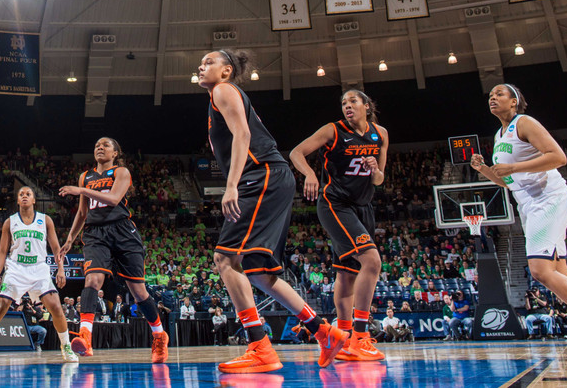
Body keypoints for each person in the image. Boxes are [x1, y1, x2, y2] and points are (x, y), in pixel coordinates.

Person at [198, 49, 347, 374]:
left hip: (260, 175)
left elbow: (243, 135)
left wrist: (233, 184)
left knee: (225, 258)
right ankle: (324, 331)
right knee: (259, 270)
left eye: (209, 62)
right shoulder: (221, 97)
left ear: (226, 72)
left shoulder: (223, 90)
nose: (201, 65)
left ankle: (260, 347)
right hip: (272, 177)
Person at [471, 84, 567, 360]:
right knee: (560, 272)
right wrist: (485, 169)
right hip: (528, 204)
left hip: (549, 198)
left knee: (540, 271)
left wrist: (514, 167)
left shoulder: (525, 122)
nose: (493, 98)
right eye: (490, 96)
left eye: (499, 94)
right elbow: (508, 182)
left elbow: (558, 157)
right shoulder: (500, 135)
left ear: (515, 101)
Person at [290, 88, 388, 362]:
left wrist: (375, 170)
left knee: (347, 275)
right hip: (335, 204)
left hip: (363, 207)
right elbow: (297, 153)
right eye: (343, 102)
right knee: (372, 261)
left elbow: (379, 180)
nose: (347, 106)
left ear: (366, 105)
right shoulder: (333, 130)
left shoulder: (380, 134)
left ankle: (343, 338)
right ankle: (360, 336)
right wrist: (309, 173)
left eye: (353, 101)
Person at [59, 137, 169, 363]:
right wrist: (70, 238)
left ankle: (159, 335)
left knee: (138, 290)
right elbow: (82, 214)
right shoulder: (85, 176)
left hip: (122, 231)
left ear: (115, 153)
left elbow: (113, 199)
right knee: (92, 280)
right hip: (95, 233)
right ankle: (86, 335)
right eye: (97, 144)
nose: (100, 147)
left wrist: (81, 190)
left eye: (105, 145)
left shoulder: (121, 172)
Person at [0, 186, 77, 363]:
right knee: (0, 307)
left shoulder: (45, 220)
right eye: (21, 194)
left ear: (34, 200)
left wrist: (61, 269)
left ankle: (66, 347)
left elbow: (56, 248)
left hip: (38, 268)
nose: (25, 196)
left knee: (56, 307)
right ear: (18, 200)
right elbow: (2, 251)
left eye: (28, 194)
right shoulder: (10, 222)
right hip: (16, 268)